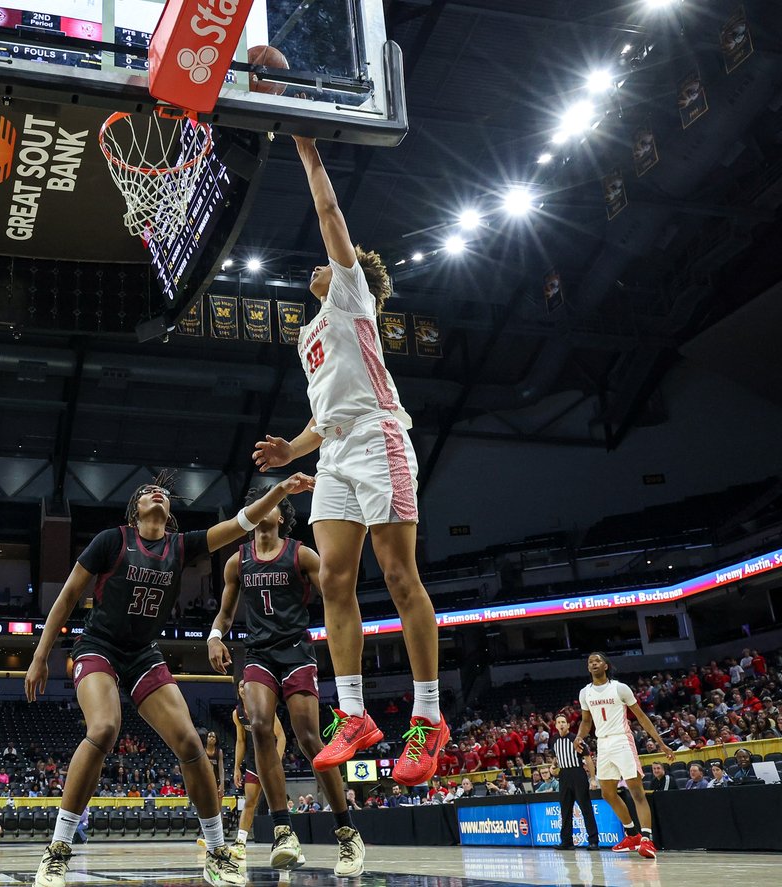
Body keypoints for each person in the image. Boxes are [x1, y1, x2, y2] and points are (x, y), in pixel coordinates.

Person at [252, 136, 449, 788]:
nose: (317, 265)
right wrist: (292, 448)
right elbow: (320, 415)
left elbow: (331, 216)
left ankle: (427, 717)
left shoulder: (351, 294)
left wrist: (308, 153)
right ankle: (356, 714)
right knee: (334, 580)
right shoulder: (310, 334)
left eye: (327, 262)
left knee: (397, 573)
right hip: (335, 449)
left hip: (379, 438)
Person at [24, 472, 314, 887]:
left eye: (159, 492)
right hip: (99, 646)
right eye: (144, 492)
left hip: (143, 654)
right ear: (135, 510)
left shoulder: (181, 545)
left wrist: (280, 491)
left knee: (192, 745)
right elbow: (69, 595)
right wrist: (39, 655)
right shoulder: (112, 539)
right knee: (105, 727)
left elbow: (241, 524)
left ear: (169, 512)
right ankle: (57, 852)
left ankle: (216, 852)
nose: (154, 493)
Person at [208, 487, 364, 876]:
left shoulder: (301, 554)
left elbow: (337, 593)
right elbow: (225, 615)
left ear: (281, 516)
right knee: (260, 726)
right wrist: (214, 636)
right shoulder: (236, 562)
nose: (262, 510)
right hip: (259, 654)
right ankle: (282, 831)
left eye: (271, 504)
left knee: (310, 738)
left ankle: (347, 833)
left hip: (296, 650)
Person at [575, 652, 674, 859]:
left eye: (597, 661)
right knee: (607, 793)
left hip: (622, 740)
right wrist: (579, 737)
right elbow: (586, 721)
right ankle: (632, 834)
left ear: (606, 666)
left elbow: (641, 716)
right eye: (590, 662)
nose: (593, 664)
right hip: (602, 743)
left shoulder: (619, 688)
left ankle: (647, 839)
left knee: (636, 791)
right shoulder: (585, 693)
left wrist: (661, 744)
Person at [229, 680, 287, 862]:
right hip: (253, 764)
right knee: (250, 803)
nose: (243, 687)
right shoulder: (237, 714)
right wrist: (237, 767)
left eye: (245, 684)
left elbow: (281, 737)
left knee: (277, 803)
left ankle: (286, 841)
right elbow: (240, 742)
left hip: (269, 762)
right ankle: (240, 843)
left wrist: (275, 763)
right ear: (239, 691)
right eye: (240, 685)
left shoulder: (264, 708)